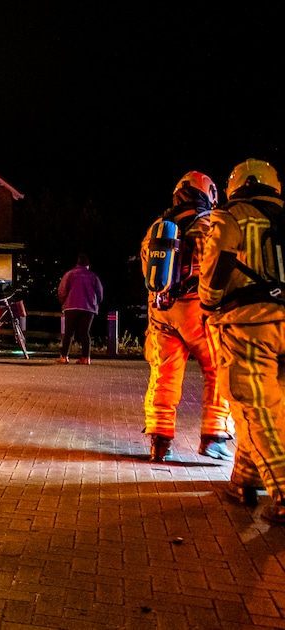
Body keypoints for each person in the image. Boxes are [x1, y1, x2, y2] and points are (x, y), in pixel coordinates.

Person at [199, 158, 285, 521]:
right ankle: (246, 479)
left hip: (249, 322)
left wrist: (208, 300)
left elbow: (218, 262)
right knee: (269, 405)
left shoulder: (232, 216)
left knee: (256, 407)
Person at [141, 172, 233, 462]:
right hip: (197, 312)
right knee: (219, 368)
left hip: (161, 311)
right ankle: (214, 436)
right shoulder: (207, 225)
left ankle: (159, 439)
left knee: (164, 374)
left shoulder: (155, 230)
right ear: (208, 194)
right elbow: (217, 268)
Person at [57, 253, 104, 364]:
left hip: (72, 306)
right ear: (87, 266)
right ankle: (86, 358)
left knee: (69, 332)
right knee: (85, 332)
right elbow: (100, 293)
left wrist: (63, 301)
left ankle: (64, 357)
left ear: (77, 264)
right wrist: (95, 302)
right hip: (88, 308)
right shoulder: (93, 276)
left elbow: (62, 290)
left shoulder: (70, 274)